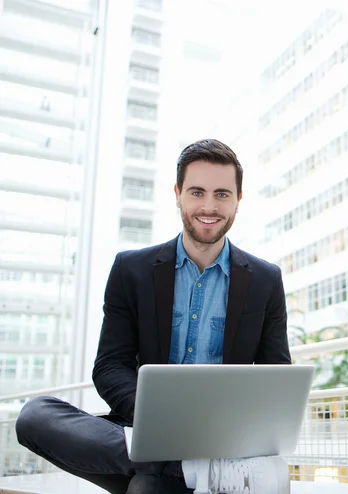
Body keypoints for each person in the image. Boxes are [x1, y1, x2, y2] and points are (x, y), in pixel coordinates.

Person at [15, 139, 292, 494]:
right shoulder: (132, 270)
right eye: (197, 192)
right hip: (143, 429)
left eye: (222, 194)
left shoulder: (265, 280)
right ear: (177, 194)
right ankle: (189, 468)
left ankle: (172, 468)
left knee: (147, 486)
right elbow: (110, 367)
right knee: (36, 416)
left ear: (239, 199)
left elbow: (275, 378)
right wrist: (159, 424)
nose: (209, 206)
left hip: (222, 443)